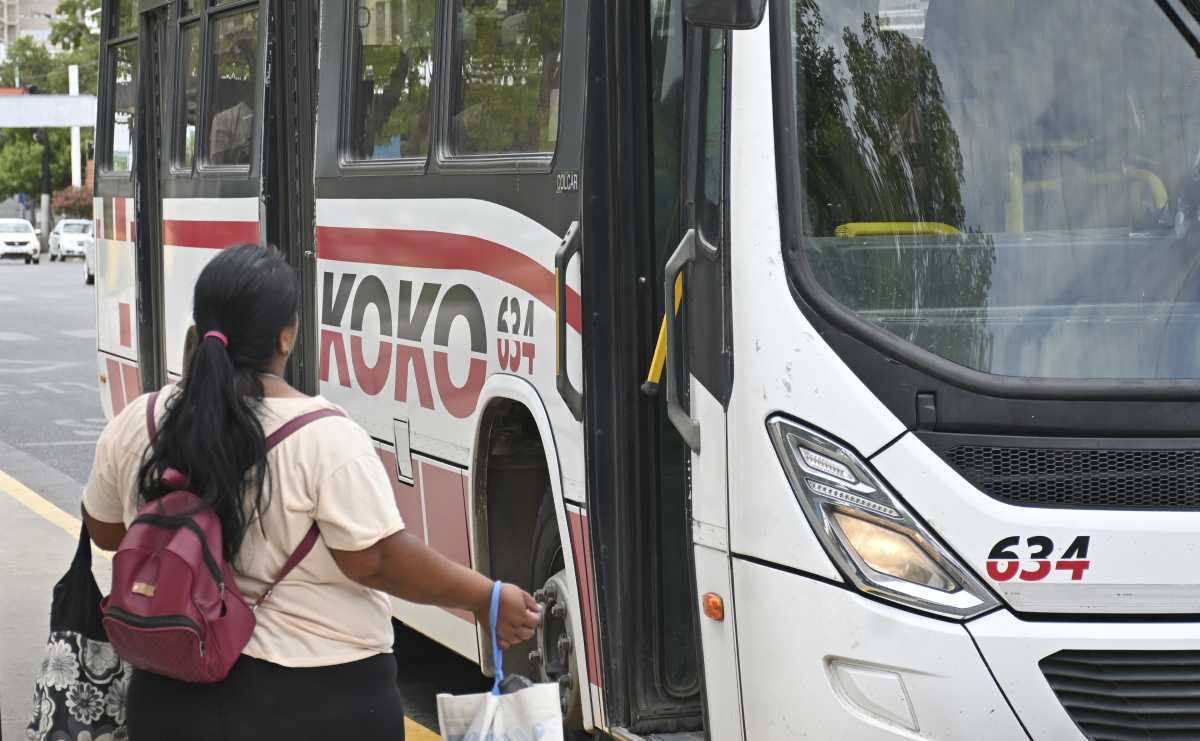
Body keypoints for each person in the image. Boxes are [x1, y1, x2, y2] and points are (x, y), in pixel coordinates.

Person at [81, 244, 540, 740]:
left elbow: (105, 531)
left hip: (171, 698)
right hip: (318, 702)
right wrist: (485, 598)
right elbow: (376, 560)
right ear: (286, 336)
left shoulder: (141, 420)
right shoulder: (323, 437)